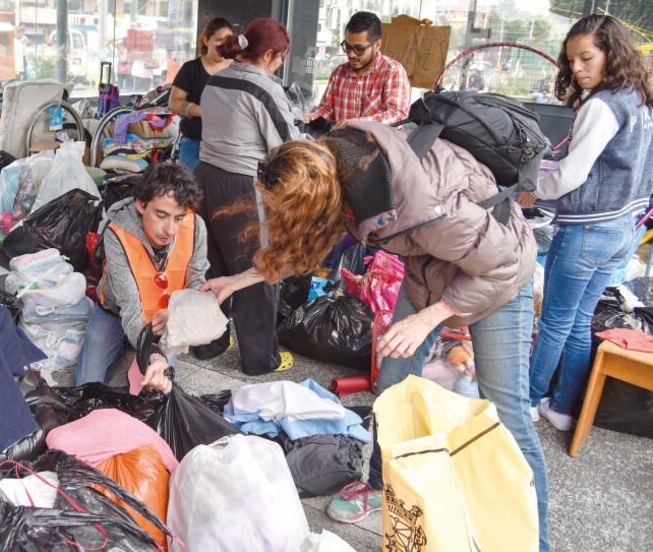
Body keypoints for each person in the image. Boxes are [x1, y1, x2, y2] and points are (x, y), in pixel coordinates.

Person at [204, 124, 550, 551]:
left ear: (314, 201)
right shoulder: (338, 172)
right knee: (391, 386)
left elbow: (504, 264)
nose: (278, 217)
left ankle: (537, 542)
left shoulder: (425, 203)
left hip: (498, 276)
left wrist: (428, 318)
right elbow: (306, 246)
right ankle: (379, 486)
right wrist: (238, 281)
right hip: (430, 268)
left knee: (508, 414)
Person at [518, 15, 653, 432]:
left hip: (588, 230)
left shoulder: (602, 104)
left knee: (556, 320)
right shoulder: (638, 98)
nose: (577, 68)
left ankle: (525, 400)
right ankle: (562, 408)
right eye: (571, 59)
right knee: (578, 320)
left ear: (611, 53)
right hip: (622, 228)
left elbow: (573, 174)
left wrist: (533, 191)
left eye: (587, 57)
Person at [194, 17, 301, 376]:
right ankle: (260, 360)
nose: (281, 64)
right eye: (281, 57)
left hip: (206, 181)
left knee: (213, 264)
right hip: (244, 187)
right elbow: (287, 145)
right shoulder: (262, 88)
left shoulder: (217, 79)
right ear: (270, 53)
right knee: (259, 267)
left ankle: (208, 342)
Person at [75, 162, 209, 394]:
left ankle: (140, 349)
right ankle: (132, 345)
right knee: (87, 388)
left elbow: (197, 281)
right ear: (140, 204)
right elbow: (129, 307)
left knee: (159, 391)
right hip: (115, 312)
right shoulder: (118, 233)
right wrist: (154, 354)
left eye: (178, 218)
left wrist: (179, 314)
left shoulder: (196, 226)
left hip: (166, 318)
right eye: (161, 215)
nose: (170, 229)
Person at [307, 11, 411, 128]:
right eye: (347, 47)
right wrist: (310, 118)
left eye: (359, 49)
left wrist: (356, 123)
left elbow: (397, 115)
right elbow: (326, 110)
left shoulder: (392, 71)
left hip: (376, 145)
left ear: (377, 45)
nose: (351, 54)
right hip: (339, 143)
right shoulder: (339, 73)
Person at [169, 16, 235, 171]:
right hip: (195, 142)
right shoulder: (191, 69)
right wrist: (202, 112)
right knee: (192, 189)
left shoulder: (238, 70)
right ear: (206, 40)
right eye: (218, 40)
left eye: (228, 41)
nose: (223, 45)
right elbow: (174, 101)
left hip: (229, 144)